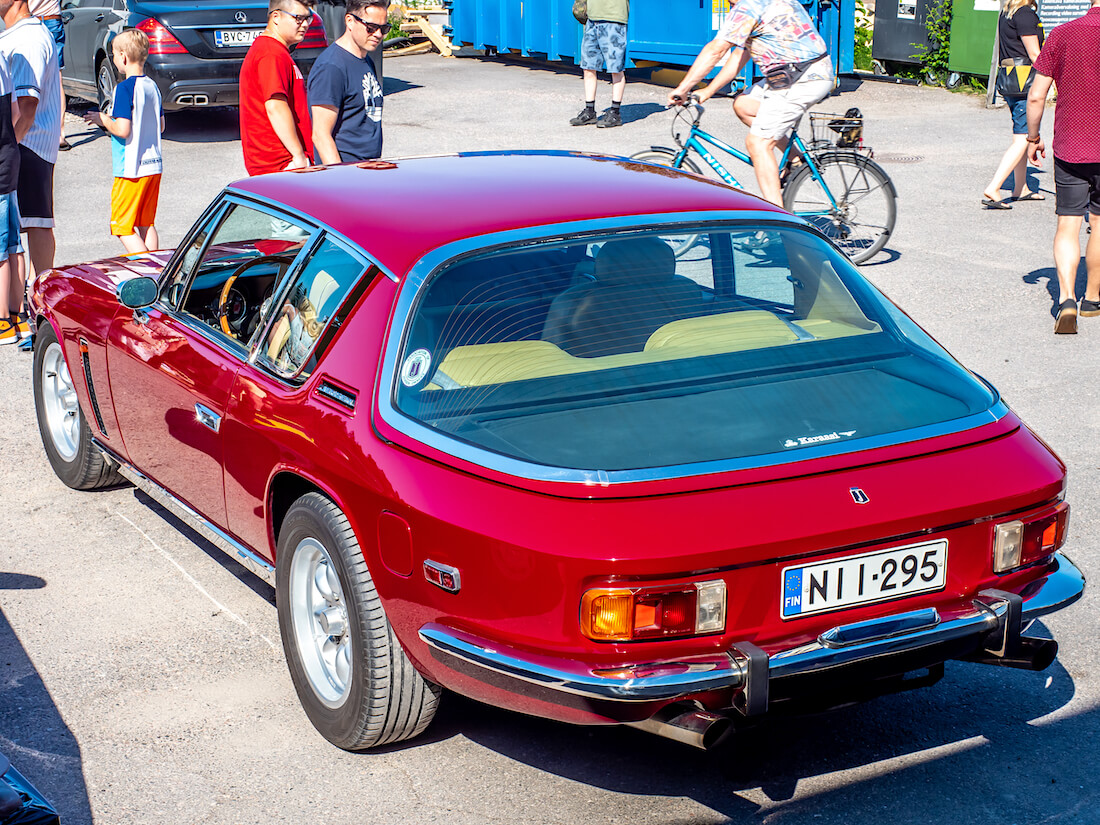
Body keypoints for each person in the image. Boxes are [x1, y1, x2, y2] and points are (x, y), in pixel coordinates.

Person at [667, 0, 833, 207]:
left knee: (758, 143)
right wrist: (707, 92)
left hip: (801, 79)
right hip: (800, 74)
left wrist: (682, 89)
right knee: (744, 105)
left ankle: (778, 222)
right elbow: (738, 57)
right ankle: (797, 161)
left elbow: (715, 50)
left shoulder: (748, 6)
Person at [1025, 0, 1100, 334]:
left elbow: (1037, 95)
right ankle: (1093, 300)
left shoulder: (1062, 34)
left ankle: (1067, 298)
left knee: (1068, 223)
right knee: (1098, 223)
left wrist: (1032, 136)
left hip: (1071, 145)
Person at [81, 30, 164, 254]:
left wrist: (103, 119)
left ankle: (146, 273)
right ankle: (156, 270)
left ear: (123, 57)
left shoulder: (124, 89)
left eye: (114, 55)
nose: (114, 60)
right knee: (146, 223)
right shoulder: (152, 87)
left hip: (131, 169)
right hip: (153, 166)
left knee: (122, 226)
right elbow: (162, 126)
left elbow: (123, 129)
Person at [0, 0, 62, 278]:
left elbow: (27, 106)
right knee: (25, 228)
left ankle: (39, 297)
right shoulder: (24, 33)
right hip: (26, 145)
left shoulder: (29, 37)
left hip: (27, 146)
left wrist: (6, 147)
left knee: (29, 227)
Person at [240, 0, 316, 175]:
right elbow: (275, 106)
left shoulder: (276, 51)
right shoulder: (270, 53)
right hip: (280, 164)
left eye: (308, 18)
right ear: (276, 17)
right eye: (298, 18)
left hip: (282, 163)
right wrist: (298, 156)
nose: (304, 24)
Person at [980, 0, 1044, 209]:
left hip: (1010, 80)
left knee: (1021, 135)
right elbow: (1035, 54)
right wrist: (1052, 79)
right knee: (1024, 138)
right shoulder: (1025, 14)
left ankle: (1020, 188)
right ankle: (994, 188)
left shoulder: (1007, 13)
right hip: (1025, 83)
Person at [308, 0, 386, 164]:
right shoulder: (331, 67)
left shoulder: (365, 59)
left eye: (384, 28)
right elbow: (321, 135)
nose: (378, 34)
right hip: (346, 171)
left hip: (368, 167)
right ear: (350, 21)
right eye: (371, 28)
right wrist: (341, 178)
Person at [0, 50, 27, 345]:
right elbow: (17, 112)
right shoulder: (3, 58)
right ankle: (18, 315)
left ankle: (3, 323)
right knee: (13, 243)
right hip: (9, 159)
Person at [569, 0, 629, 129]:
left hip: (614, 19)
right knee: (588, 67)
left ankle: (615, 113)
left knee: (616, 68)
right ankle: (589, 110)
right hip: (592, 19)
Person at [28, 0, 68, 152]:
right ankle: (60, 134)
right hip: (53, 19)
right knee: (57, 78)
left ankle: (32, 127)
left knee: (32, 74)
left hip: (32, 21)